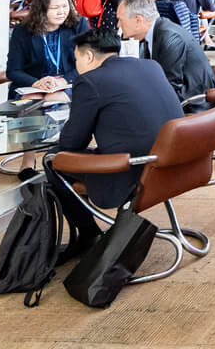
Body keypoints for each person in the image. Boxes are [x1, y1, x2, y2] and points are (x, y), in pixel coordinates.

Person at [50, 29, 182, 257]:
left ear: (88, 56)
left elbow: (71, 144)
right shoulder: (150, 66)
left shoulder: (90, 81)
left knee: (53, 160)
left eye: (76, 58)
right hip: (173, 165)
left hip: (131, 172)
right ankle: (91, 234)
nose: (77, 65)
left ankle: (88, 234)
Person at [115, 0, 215, 103]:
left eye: (121, 20)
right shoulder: (152, 33)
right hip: (181, 95)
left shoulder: (169, 37)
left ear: (138, 20)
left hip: (195, 101)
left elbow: (169, 87)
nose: (118, 25)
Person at [7, 0, 82, 92]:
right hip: (35, 86)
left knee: (54, 98)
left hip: (70, 83)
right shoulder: (23, 31)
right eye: (55, 8)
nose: (61, 12)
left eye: (65, 6)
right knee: (36, 102)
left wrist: (64, 80)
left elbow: (91, 63)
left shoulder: (78, 25)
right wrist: (36, 83)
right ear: (41, 9)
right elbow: (13, 71)